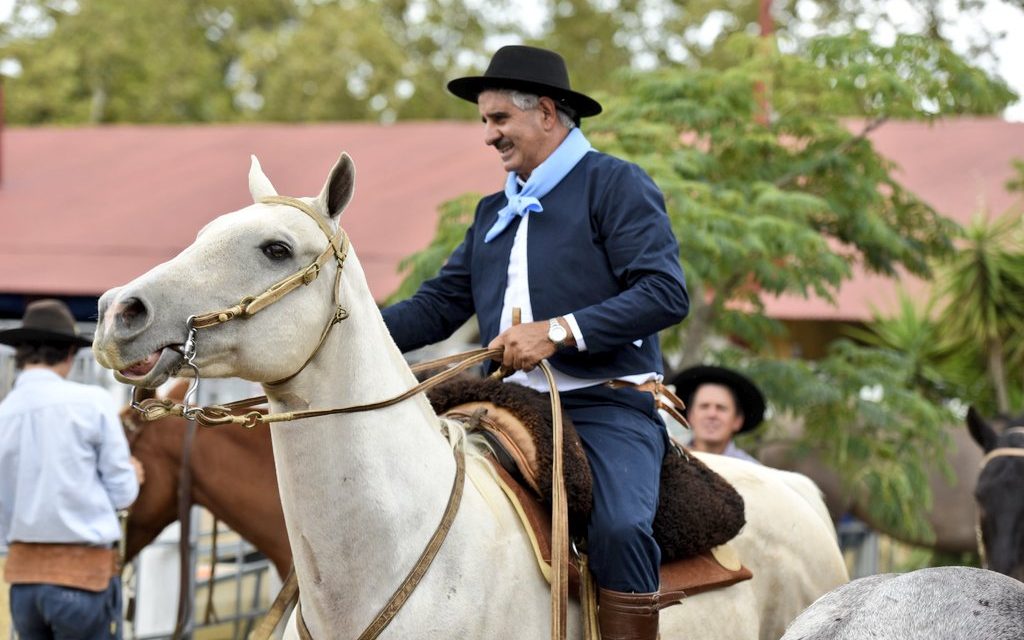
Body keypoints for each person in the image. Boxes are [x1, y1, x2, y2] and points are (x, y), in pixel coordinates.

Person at [382, 45, 689, 639]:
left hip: (605, 401)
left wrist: (555, 332)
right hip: (505, 400)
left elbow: (664, 293)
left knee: (621, 529)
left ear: (547, 113)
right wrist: (346, 332)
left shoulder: (615, 183)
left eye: (499, 119)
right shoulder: (492, 209)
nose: (489, 135)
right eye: (484, 121)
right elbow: (439, 305)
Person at [0, 299, 143, 640]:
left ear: (20, 355)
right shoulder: (91, 403)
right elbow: (122, 493)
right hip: (82, 578)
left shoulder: (3, 415)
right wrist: (132, 475)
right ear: (68, 354)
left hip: (24, 581)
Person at [671, 365, 766, 464]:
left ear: (737, 420)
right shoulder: (670, 462)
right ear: (690, 416)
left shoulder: (753, 471)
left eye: (721, 408)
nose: (712, 414)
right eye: (704, 406)